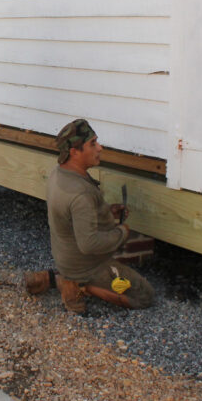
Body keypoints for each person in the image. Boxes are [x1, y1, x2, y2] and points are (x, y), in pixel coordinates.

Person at [25, 119, 155, 313]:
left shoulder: (58, 174)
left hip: (66, 257)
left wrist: (107, 212)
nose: (100, 148)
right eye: (92, 144)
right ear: (74, 152)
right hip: (86, 267)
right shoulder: (80, 194)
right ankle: (76, 286)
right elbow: (89, 244)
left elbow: (73, 214)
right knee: (144, 295)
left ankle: (52, 278)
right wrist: (122, 232)